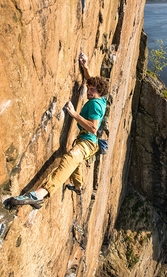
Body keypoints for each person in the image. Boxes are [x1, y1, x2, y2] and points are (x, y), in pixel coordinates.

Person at [10, 53, 108, 209]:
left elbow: (94, 128)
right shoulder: (101, 99)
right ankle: (78, 187)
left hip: (88, 141)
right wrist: (85, 66)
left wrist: (73, 113)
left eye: (92, 91)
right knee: (76, 161)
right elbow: (92, 81)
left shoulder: (96, 104)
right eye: (89, 89)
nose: (89, 92)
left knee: (70, 158)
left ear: (99, 93)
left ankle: (40, 195)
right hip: (87, 141)